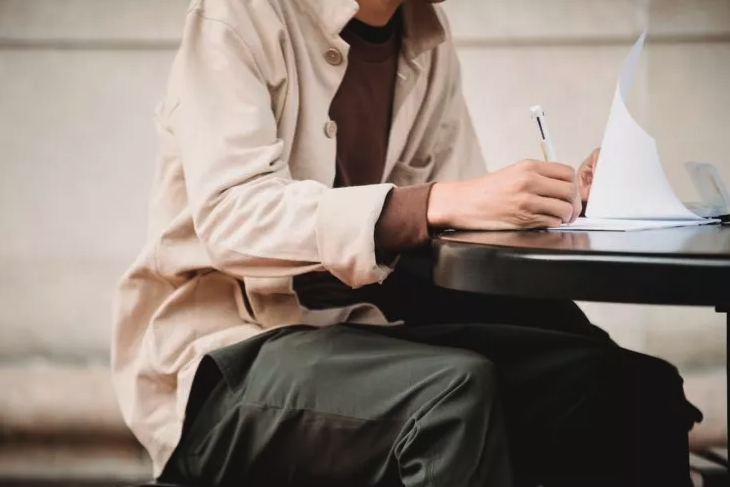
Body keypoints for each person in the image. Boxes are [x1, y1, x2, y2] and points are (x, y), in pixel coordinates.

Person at [111, 0, 702, 486]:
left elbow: (458, 235)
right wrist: (435, 202)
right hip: (225, 362)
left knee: (623, 387)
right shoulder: (239, 16)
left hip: (372, 335)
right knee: (452, 395)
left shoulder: (426, 40)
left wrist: (565, 203)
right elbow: (231, 217)